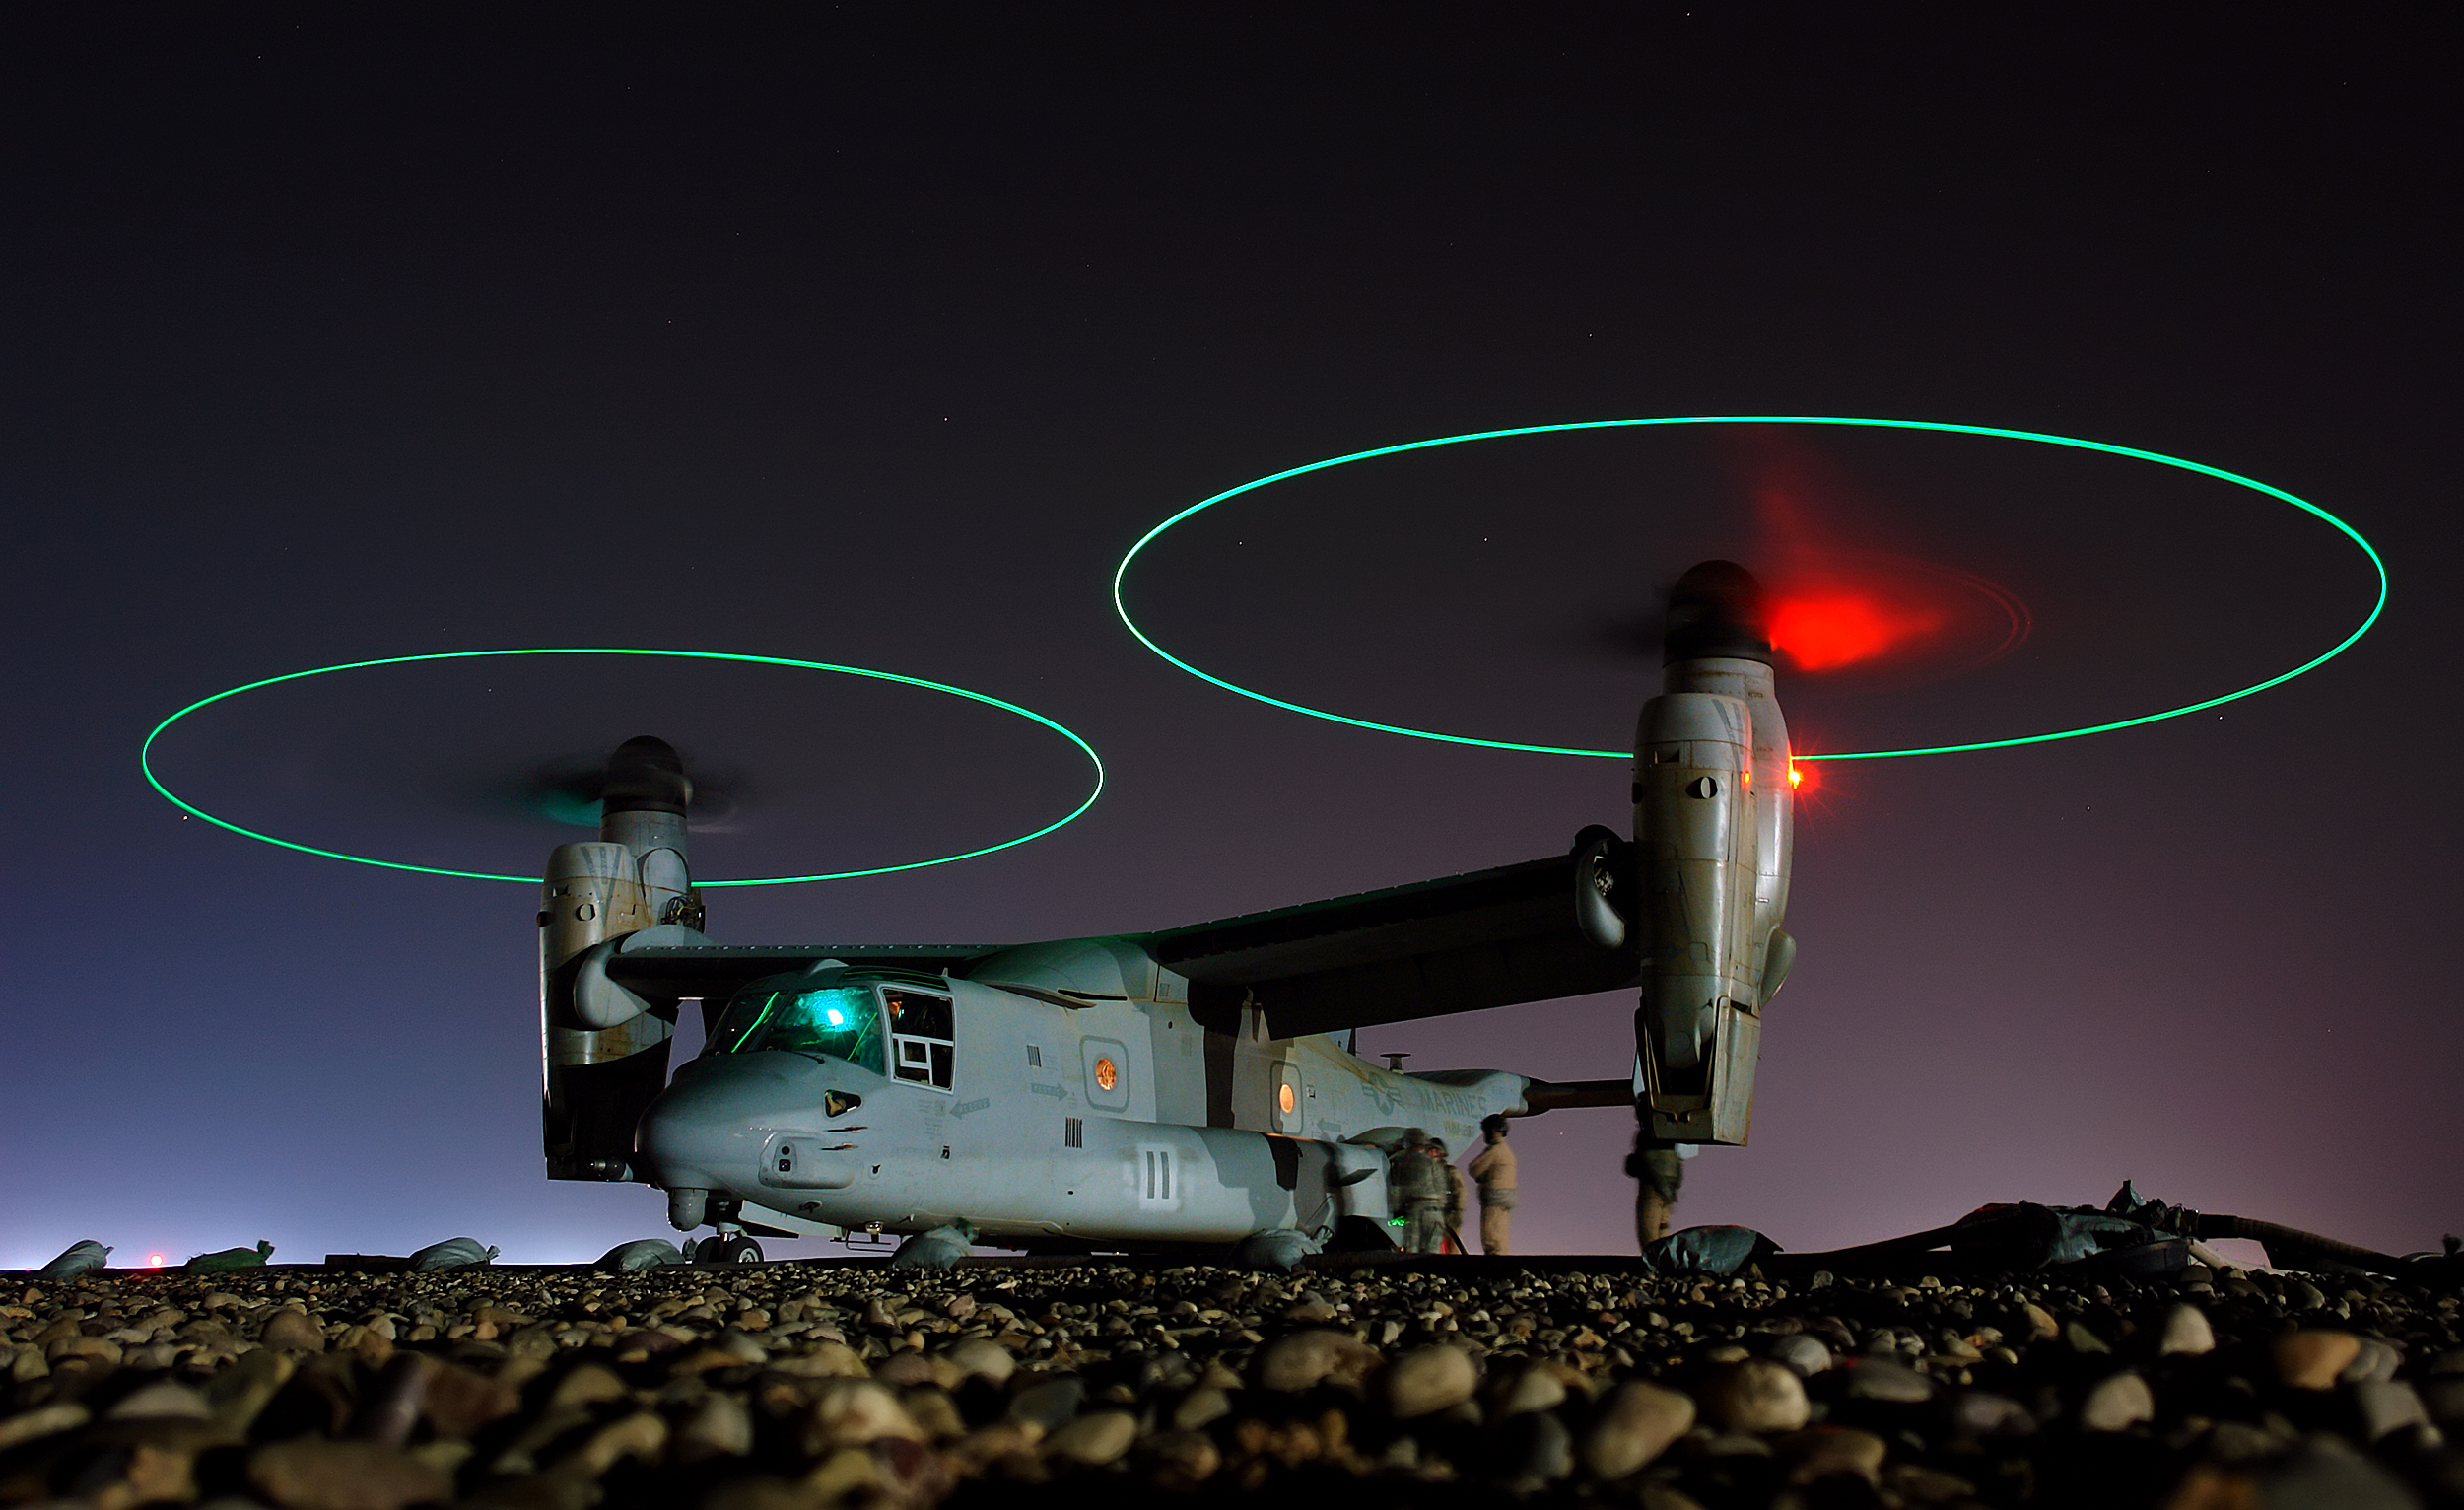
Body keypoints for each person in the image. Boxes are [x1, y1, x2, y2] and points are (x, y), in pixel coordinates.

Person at [1392, 1128, 1450, 1254]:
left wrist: (1396, 1210)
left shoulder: (1401, 1162)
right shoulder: (1432, 1163)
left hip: (1415, 1209)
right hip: (1435, 1210)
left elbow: (1396, 1189)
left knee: (1412, 1249)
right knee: (1433, 1249)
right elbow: (1441, 1187)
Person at [1468, 1114, 1518, 1255]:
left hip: (1495, 1198)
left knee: (1492, 1238)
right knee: (1501, 1237)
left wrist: (1482, 1178)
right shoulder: (1507, 1151)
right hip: (1506, 1197)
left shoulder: (1495, 1150)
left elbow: (1474, 1168)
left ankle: (1495, 1270)